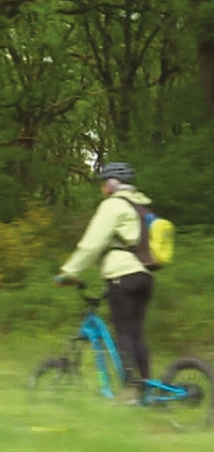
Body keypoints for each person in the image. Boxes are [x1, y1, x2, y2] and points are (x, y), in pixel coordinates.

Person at [54, 162, 154, 386]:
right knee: (136, 333)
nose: (102, 188)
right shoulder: (141, 207)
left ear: (112, 184)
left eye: (103, 183)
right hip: (144, 276)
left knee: (124, 333)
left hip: (122, 275)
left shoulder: (113, 205)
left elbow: (91, 244)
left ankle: (130, 390)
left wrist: (69, 272)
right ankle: (146, 386)